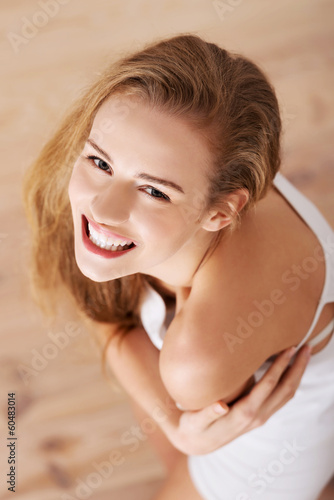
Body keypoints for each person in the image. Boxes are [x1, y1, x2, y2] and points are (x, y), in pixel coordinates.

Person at [22, 34, 334, 499]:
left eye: (154, 191)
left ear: (221, 211)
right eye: (100, 161)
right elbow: (104, 313)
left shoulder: (199, 359)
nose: (102, 208)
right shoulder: (213, 162)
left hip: (262, 466)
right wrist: (175, 426)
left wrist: (178, 424)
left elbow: (109, 322)